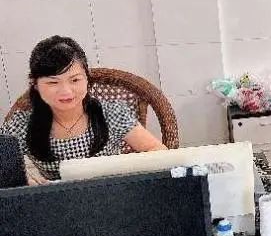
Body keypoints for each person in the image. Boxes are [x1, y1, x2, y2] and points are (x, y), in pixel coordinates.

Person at [1, 36, 166, 184]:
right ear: (35, 84)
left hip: (112, 196)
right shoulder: (21, 124)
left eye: (74, 80)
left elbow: (159, 152)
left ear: (87, 78)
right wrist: (25, 178)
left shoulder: (112, 113)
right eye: (53, 82)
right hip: (56, 202)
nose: (66, 91)